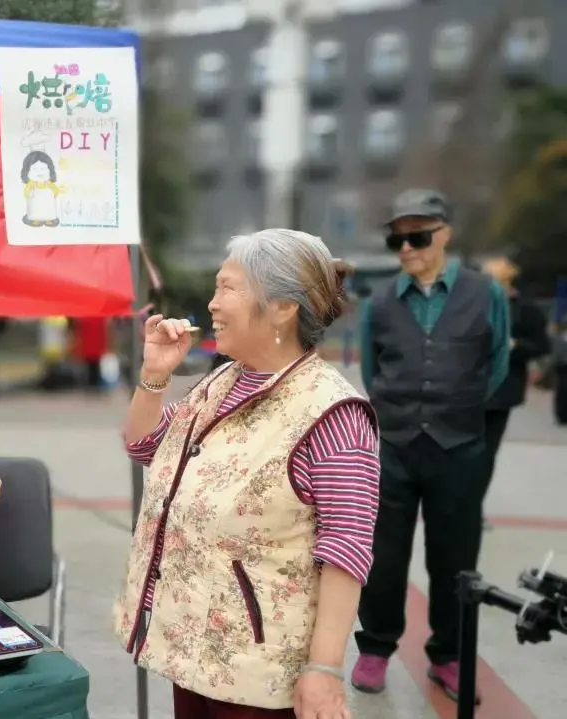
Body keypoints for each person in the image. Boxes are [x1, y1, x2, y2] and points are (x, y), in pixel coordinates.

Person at [114, 229, 380, 719]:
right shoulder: (223, 379)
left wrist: (323, 670)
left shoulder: (333, 414)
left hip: (261, 674)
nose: (212, 304)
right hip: (196, 650)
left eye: (227, 288)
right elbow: (143, 444)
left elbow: (345, 552)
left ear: (282, 307)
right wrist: (154, 375)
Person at [352, 189, 511, 701]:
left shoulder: (486, 293)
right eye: (396, 238)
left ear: (445, 234)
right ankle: (375, 648)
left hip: (460, 445)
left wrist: (454, 408)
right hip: (394, 445)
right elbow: (372, 372)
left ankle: (449, 655)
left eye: (417, 236)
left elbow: (498, 367)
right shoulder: (378, 303)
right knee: (382, 554)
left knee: (456, 559)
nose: (405, 247)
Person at [478, 257, 549, 524]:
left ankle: (473, 508)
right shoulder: (474, 307)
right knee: (462, 453)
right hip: (467, 391)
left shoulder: (526, 311)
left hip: (503, 393)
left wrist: (515, 346)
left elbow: (542, 346)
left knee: (485, 454)